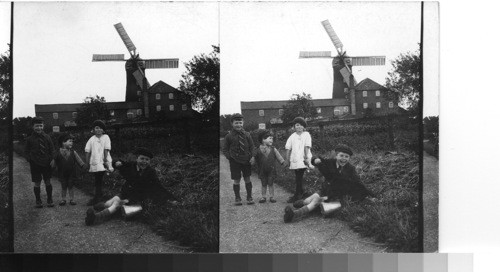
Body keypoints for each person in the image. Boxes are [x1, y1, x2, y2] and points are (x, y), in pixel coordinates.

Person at [85, 147, 178, 226]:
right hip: (125, 193)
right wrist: (117, 162)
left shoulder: (151, 172)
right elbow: (119, 164)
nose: (144, 162)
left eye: (147, 160)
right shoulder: (131, 166)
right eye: (142, 159)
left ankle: (95, 217)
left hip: (137, 199)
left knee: (116, 205)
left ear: (149, 161)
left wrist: (171, 198)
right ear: (137, 159)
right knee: (113, 201)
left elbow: (159, 187)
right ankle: (101, 206)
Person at [284, 144, 376, 223]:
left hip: (336, 195)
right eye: (341, 156)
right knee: (313, 198)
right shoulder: (330, 163)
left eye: (346, 157)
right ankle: (301, 203)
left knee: (316, 201)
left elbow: (358, 182)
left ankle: (294, 214)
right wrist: (315, 160)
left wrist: (370, 194)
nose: (344, 159)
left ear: (349, 158)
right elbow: (316, 158)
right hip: (326, 190)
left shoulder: (350, 169)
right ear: (336, 156)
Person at [222, 113, 255, 205]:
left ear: (243, 123)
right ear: (232, 124)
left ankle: (249, 197)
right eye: (236, 123)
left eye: (240, 123)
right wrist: (230, 157)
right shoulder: (229, 136)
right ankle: (237, 198)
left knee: (247, 178)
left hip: (246, 160)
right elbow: (225, 149)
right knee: (236, 179)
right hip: (235, 161)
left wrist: (252, 156)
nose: (238, 125)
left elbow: (252, 147)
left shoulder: (247, 135)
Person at [25, 117, 55, 208]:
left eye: (40, 126)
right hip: (35, 164)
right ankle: (38, 200)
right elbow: (26, 151)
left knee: (48, 181)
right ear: (33, 127)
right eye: (37, 126)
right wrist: (30, 159)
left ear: (43, 126)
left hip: (46, 163)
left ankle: (49, 199)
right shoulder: (29, 139)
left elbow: (52, 149)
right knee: (37, 182)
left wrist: (53, 159)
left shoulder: (47, 137)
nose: (39, 128)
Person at [252, 130, 287, 203]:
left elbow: (279, 157)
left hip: (271, 170)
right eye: (270, 138)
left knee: (271, 183)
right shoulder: (258, 150)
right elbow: (254, 157)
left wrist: (283, 162)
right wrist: (252, 161)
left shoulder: (273, 149)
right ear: (263, 139)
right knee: (263, 183)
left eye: (272, 138)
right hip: (262, 170)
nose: (272, 140)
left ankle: (272, 196)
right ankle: (263, 197)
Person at [53, 133, 86, 206]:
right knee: (63, 186)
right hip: (62, 173)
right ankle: (63, 199)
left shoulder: (73, 152)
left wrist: (83, 165)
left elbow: (78, 160)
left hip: (71, 173)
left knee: (71, 186)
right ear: (63, 142)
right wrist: (52, 167)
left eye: (72, 141)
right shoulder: (58, 153)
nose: (72, 143)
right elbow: (54, 161)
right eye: (70, 141)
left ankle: (72, 199)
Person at [84, 120, 113, 205]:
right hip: (95, 162)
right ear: (93, 129)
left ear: (103, 130)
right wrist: (87, 162)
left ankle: (98, 197)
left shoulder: (106, 137)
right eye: (96, 128)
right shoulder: (91, 139)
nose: (98, 130)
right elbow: (87, 151)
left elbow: (106, 149)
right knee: (97, 180)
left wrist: (105, 161)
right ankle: (98, 197)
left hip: (103, 161)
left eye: (101, 128)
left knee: (99, 180)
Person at [284, 117, 313, 203]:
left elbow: (307, 146)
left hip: (304, 158)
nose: (299, 127)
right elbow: (288, 148)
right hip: (295, 159)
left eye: (301, 125)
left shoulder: (306, 134)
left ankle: (298, 195)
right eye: (297, 125)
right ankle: (300, 193)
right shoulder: (292, 136)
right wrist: (287, 159)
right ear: (294, 127)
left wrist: (306, 158)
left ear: (304, 127)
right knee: (298, 177)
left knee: (299, 177)